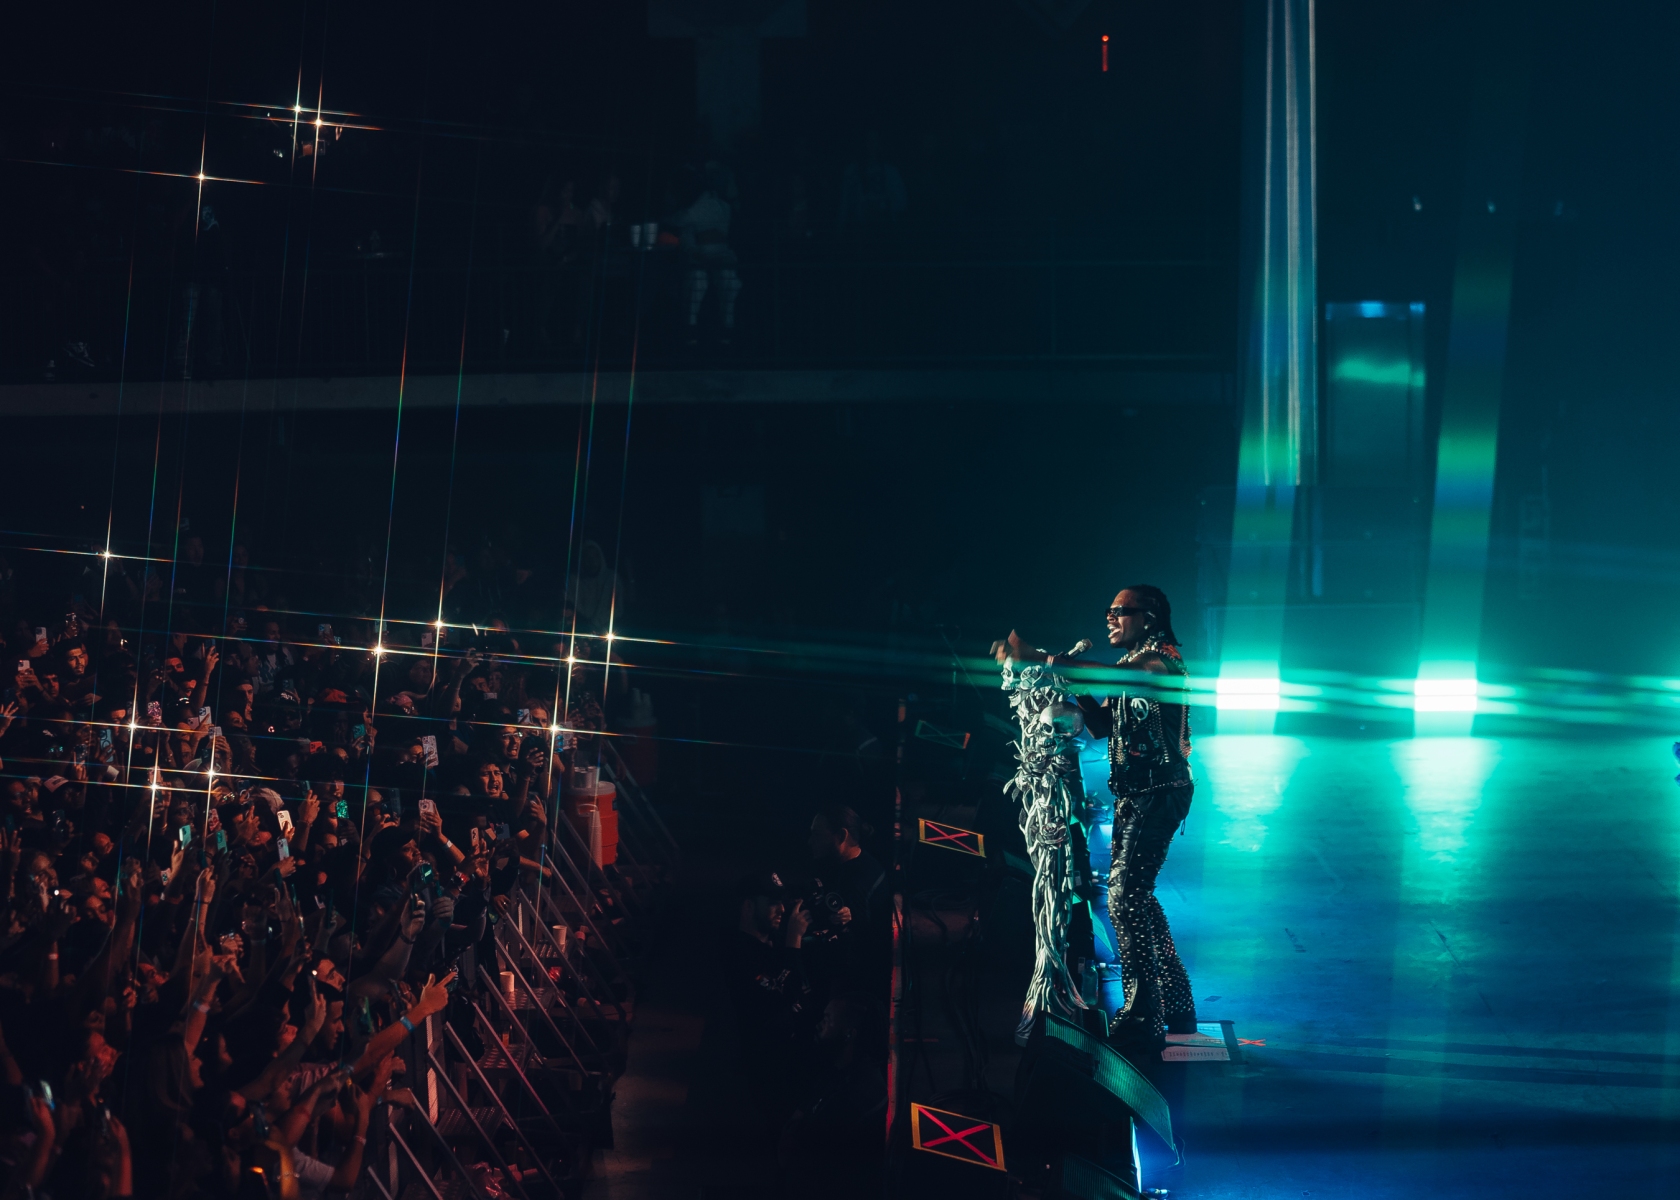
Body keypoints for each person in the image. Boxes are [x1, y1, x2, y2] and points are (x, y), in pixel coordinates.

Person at [996, 584, 1196, 1049]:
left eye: (1119, 611)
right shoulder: (1135, 663)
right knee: (1137, 897)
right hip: (1137, 794)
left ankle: (1144, 1015)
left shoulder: (1158, 663)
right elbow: (1104, 725)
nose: (1109, 618)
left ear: (1148, 618)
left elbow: (1114, 677)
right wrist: (1077, 692)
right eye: (1108, 611)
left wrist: (1044, 660)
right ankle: (1177, 1004)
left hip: (1159, 793)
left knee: (1126, 899)